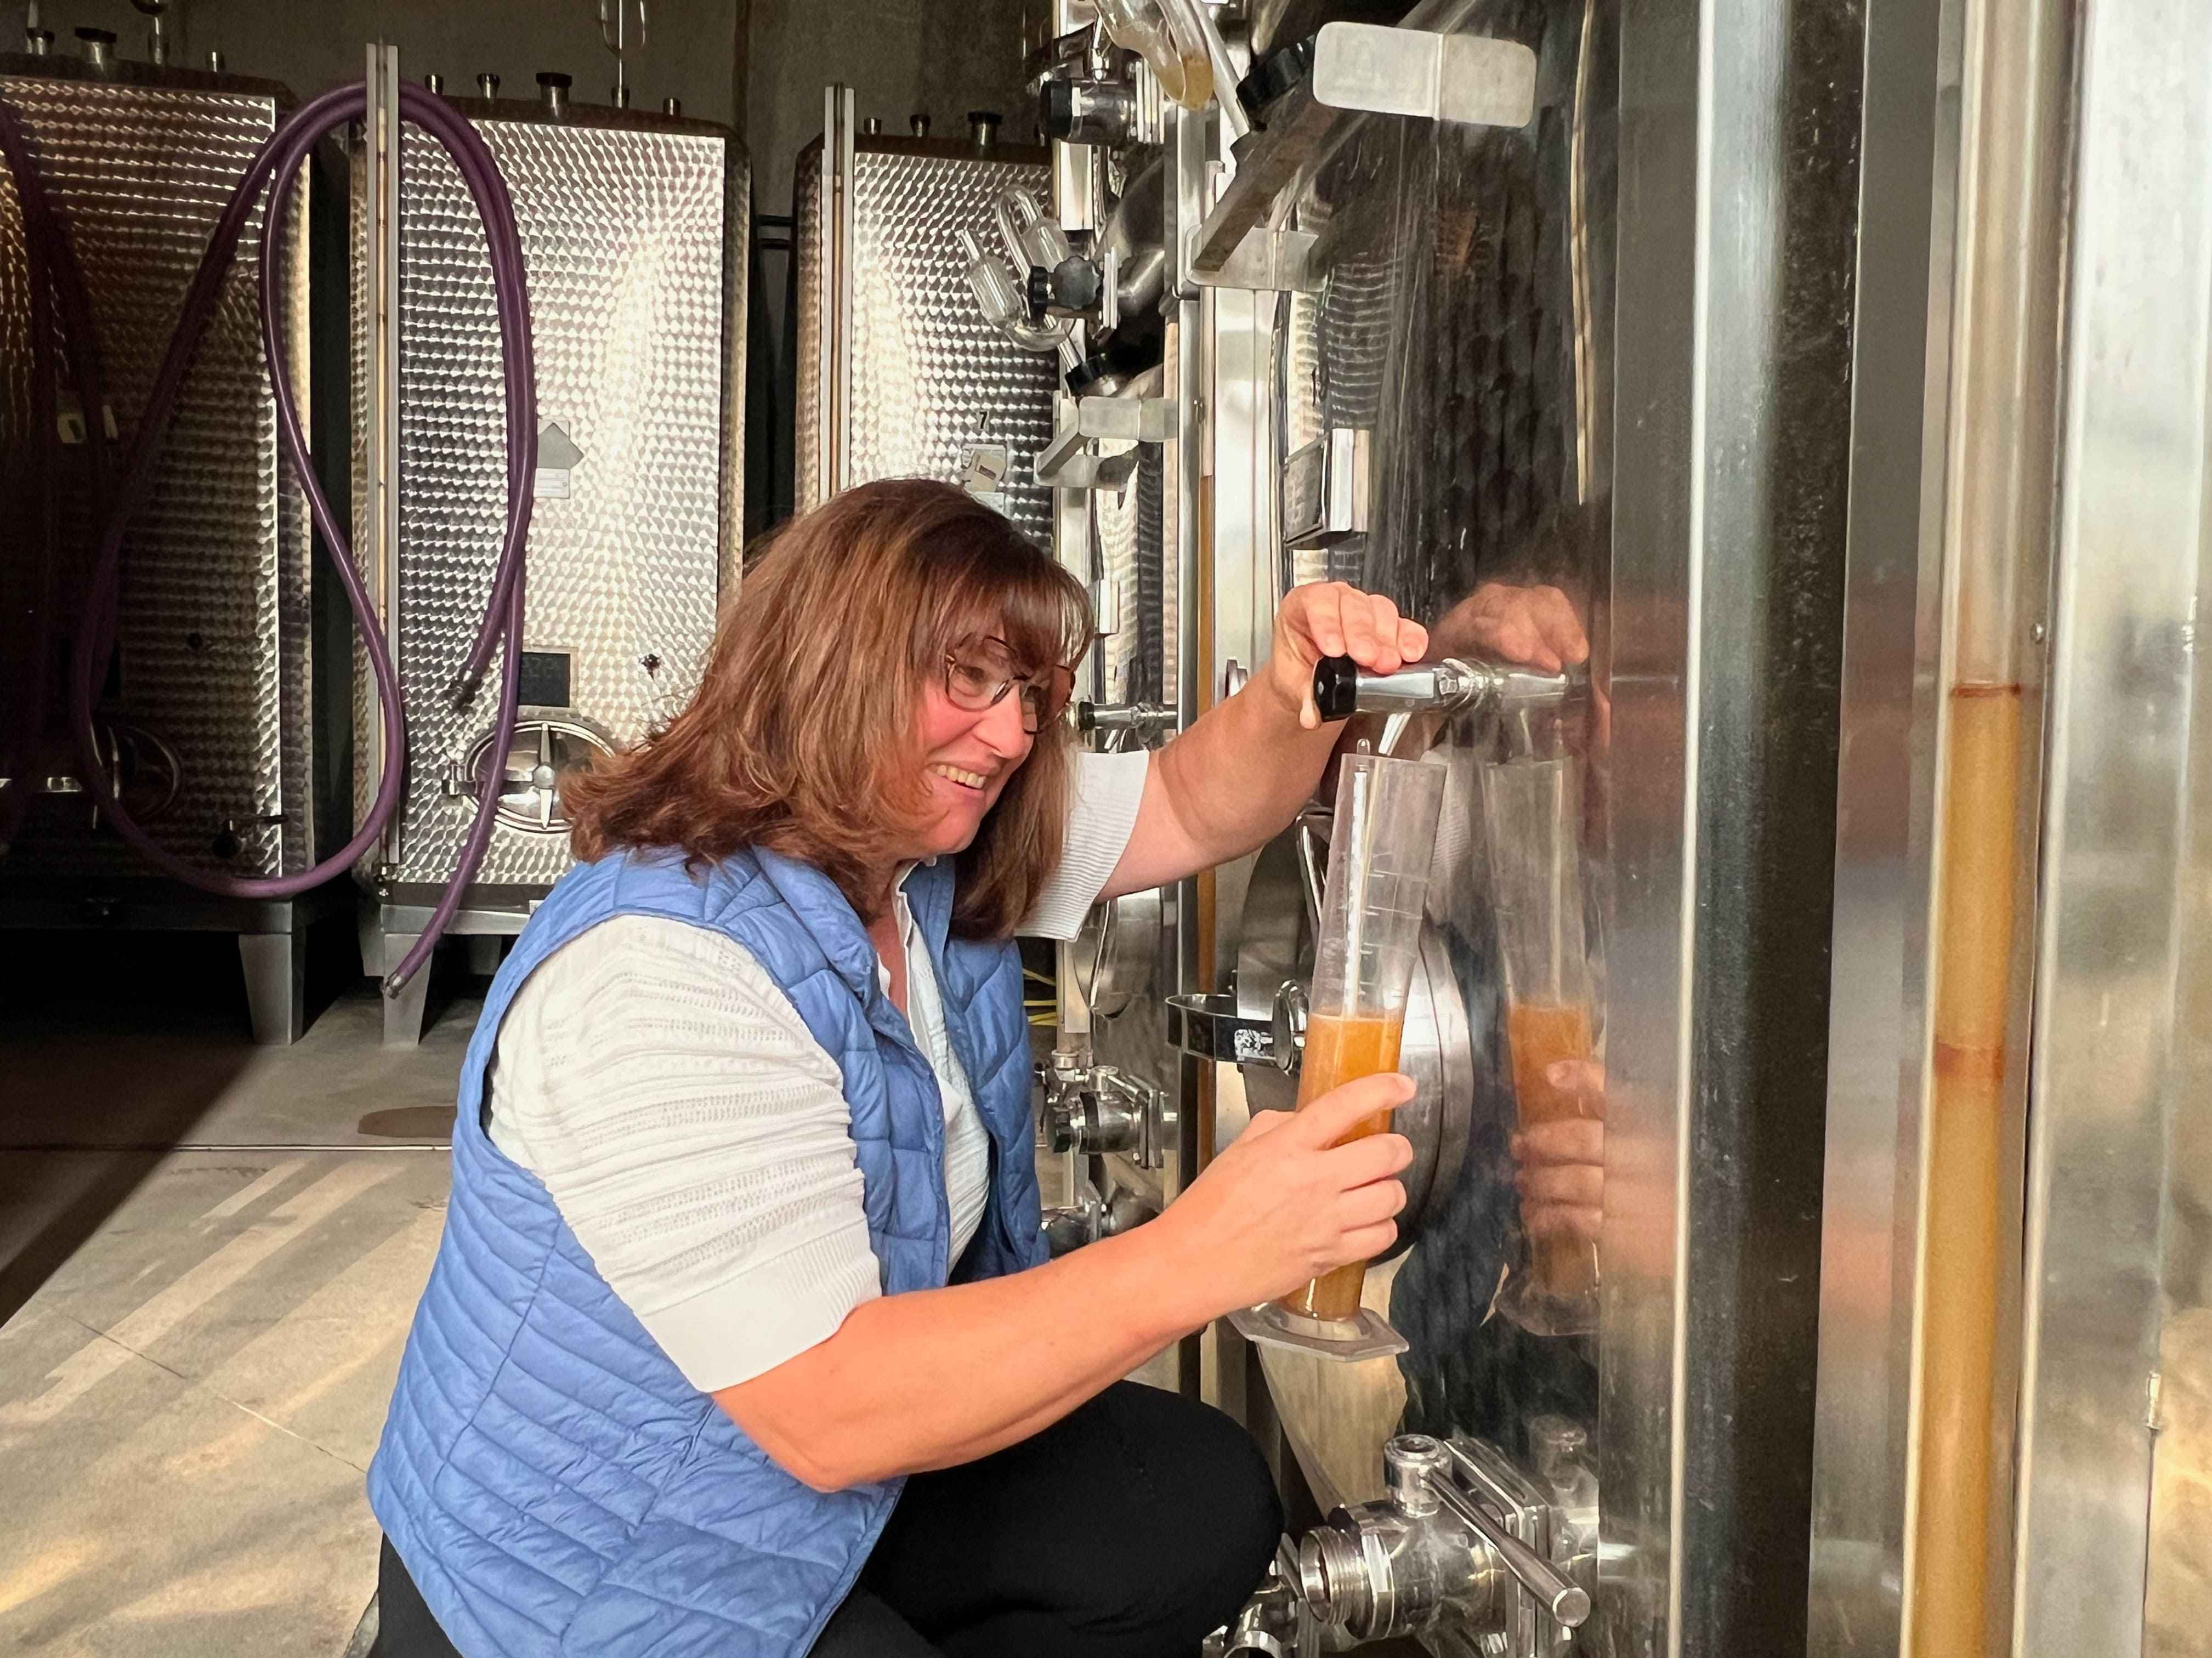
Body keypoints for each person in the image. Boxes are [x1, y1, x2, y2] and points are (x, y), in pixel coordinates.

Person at [364, 478, 1528, 1658]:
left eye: (1026, 692)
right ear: (831, 666)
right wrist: (1202, 1253)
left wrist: (1298, 693)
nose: (1014, 732)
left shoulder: (922, 847)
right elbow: (826, 1409)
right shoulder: (660, 977)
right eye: (968, 681)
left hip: (813, 1475)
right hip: (600, 1569)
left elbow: (1186, 798)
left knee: (1193, 1504)